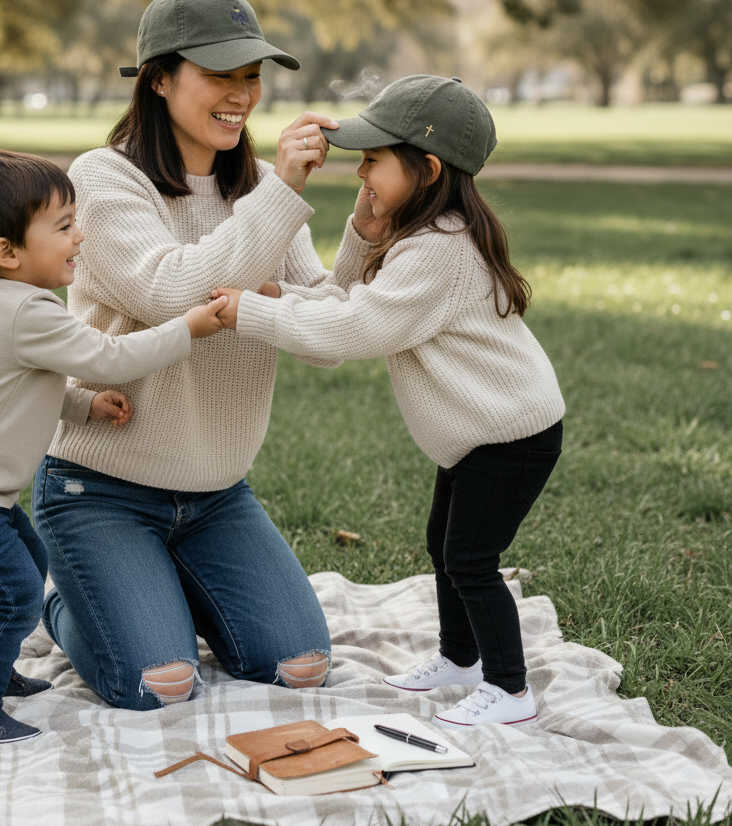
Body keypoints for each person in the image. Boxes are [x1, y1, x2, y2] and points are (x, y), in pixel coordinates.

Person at [213, 75, 566, 728]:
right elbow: (345, 295)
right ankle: (460, 661)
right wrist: (352, 235)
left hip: (511, 438)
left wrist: (251, 314)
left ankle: (511, 691)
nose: (361, 173)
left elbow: (353, 328)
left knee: (470, 559)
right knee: (443, 545)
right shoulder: (420, 234)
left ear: (427, 170)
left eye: (374, 161)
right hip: (480, 435)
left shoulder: (440, 251)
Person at [33, 0, 339, 710]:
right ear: (159, 79)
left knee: (299, 667)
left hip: (217, 494)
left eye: (252, 76)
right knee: (156, 684)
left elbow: (326, 332)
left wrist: (362, 227)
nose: (242, 95)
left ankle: (158, 585)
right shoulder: (104, 178)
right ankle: (64, 598)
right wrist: (277, 213)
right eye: (220, 75)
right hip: (100, 489)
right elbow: (173, 294)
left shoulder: (263, 190)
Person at [0, 149, 228, 743]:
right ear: (7, 253)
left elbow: (25, 386)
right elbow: (111, 357)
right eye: (64, 226)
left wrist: (83, 404)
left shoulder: (8, 305)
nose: (80, 235)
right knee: (14, 592)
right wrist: (188, 327)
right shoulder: (27, 313)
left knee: (28, 567)